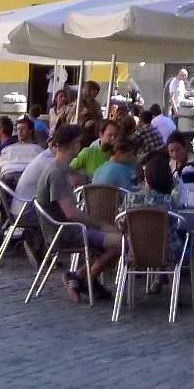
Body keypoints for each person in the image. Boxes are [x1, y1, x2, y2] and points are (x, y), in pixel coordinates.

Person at [37, 125, 121, 303]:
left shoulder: (57, 167)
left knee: (113, 238)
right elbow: (71, 213)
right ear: (74, 145)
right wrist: (100, 224)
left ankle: (82, 277)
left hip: (60, 229)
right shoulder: (57, 173)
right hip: (66, 232)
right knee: (121, 242)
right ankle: (81, 276)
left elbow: (75, 180)